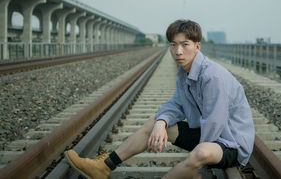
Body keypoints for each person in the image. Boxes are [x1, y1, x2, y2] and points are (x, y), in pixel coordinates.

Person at [64, 19, 255, 179]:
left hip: (230, 143)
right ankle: (104, 166)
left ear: (197, 46)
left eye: (185, 44)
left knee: (202, 152)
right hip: (208, 135)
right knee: (153, 123)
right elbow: (176, 104)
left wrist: (201, 169)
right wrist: (161, 122)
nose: (178, 51)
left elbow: (215, 122)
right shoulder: (184, 72)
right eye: (173, 45)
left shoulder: (212, 76)